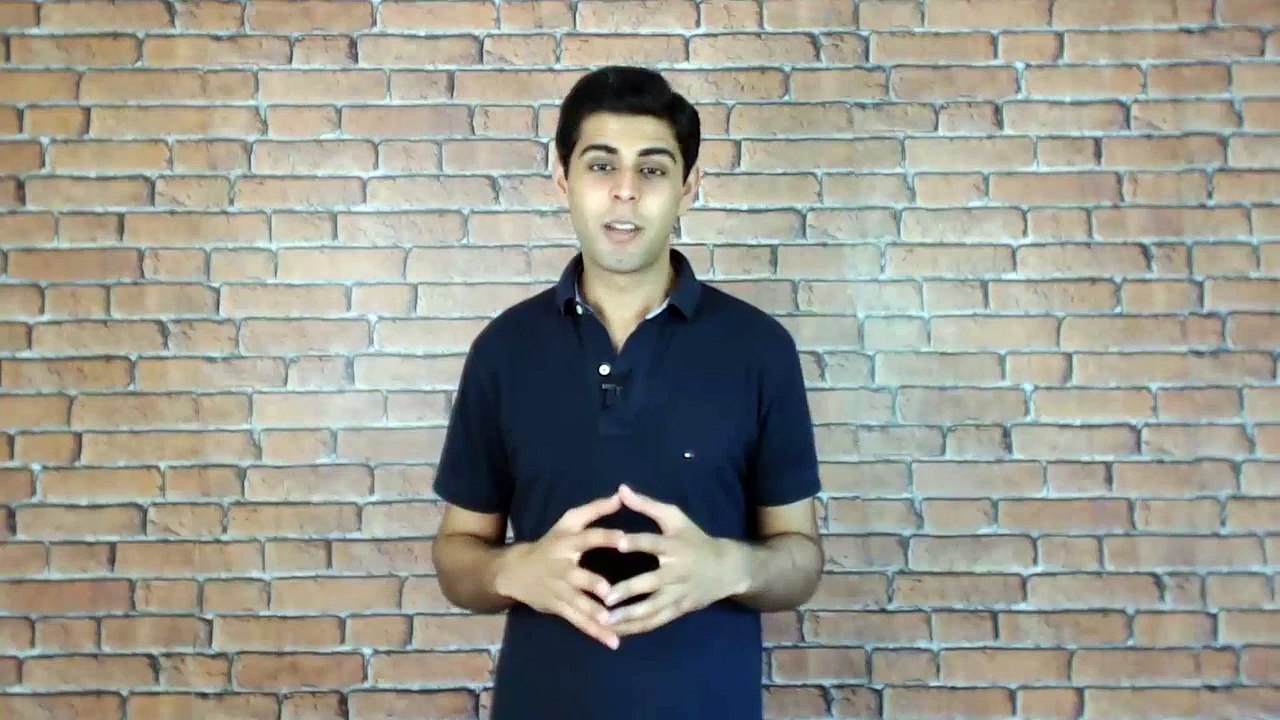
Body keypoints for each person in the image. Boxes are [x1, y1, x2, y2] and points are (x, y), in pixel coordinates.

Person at [430, 65, 824, 720]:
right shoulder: (504, 349)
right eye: (601, 165)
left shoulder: (759, 349)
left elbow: (802, 559)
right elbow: (456, 554)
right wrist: (511, 570)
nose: (625, 191)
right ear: (563, 179)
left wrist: (730, 568)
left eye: (653, 169)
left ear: (688, 186)